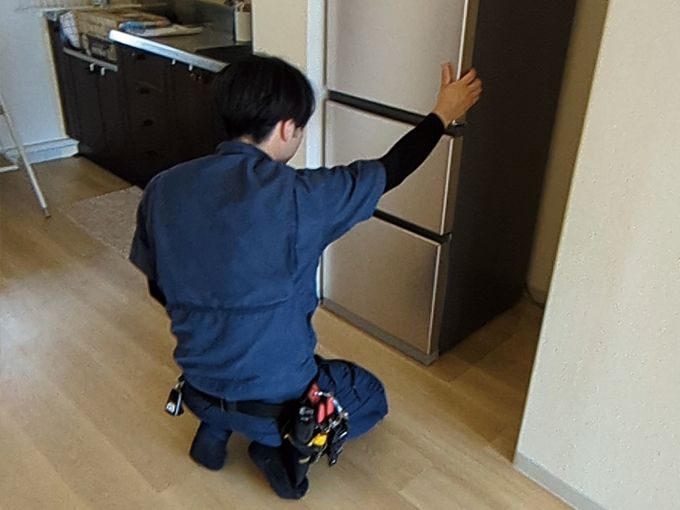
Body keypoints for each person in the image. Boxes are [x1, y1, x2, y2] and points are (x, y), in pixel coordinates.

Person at [130, 54, 481, 500]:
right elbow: (391, 169)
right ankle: (275, 447)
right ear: (285, 128)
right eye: (301, 127)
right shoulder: (303, 197)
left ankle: (215, 426)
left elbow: (158, 286)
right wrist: (442, 114)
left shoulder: (164, 187)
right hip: (276, 404)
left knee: (239, 364)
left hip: (198, 381)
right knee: (369, 394)